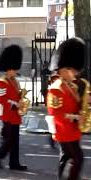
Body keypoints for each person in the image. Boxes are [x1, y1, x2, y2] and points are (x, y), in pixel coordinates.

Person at [47, 37, 85, 180]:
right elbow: (56, 114)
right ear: (64, 69)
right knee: (78, 158)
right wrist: (75, 117)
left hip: (73, 130)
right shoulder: (56, 89)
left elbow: (75, 104)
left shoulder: (72, 86)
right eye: (72, 70)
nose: (75, 73)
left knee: (67, 157)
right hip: (64, 131)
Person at [0, 45, 27, 171]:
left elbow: (17, 95)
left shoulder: (15, 81)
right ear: (7, 69)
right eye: (13, 69)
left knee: (15, 141)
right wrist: (14, 103)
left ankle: (14, 163)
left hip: (15, 115)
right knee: (8, 140)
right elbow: (1, 99)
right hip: (7, 115)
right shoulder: (2, 82)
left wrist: (22, 95)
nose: (15, 71)